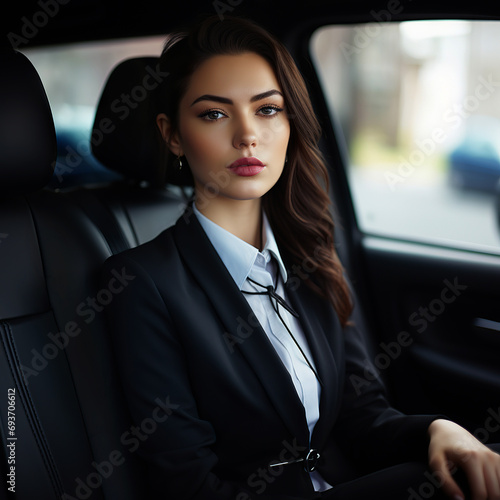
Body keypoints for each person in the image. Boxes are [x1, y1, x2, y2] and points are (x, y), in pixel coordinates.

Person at [101, 15, 500, 500]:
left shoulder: (308, 256)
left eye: (268, 110)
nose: (248, 135)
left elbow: (361, 416)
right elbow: (188, 484)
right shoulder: (141, 283)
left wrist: (439, 430)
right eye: (214, 114)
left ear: (290, 124)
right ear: (173, 135)